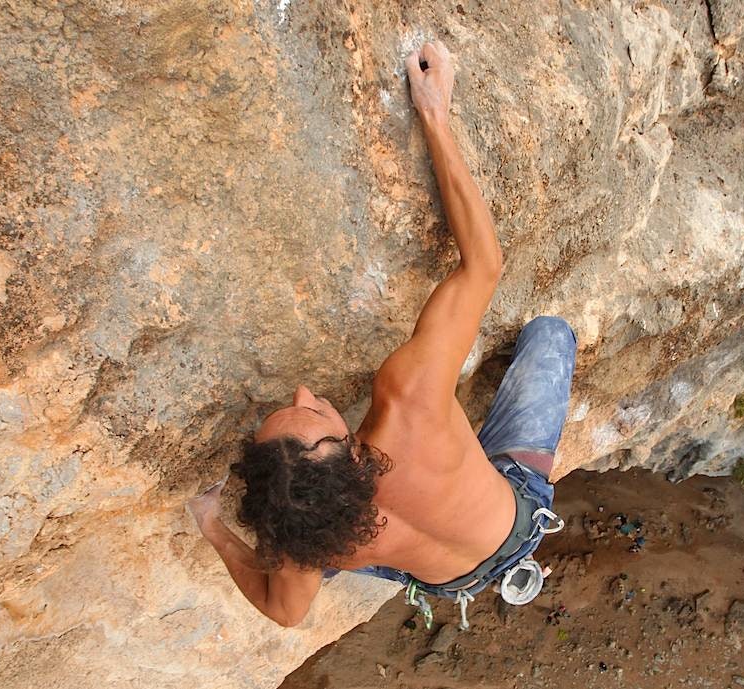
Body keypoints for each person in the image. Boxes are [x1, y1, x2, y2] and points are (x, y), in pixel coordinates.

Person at [187, 40, 577, 630]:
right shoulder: (411, 401)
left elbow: (284, 613)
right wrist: (433, 113)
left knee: (316, 539)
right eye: (311, 416)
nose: (299, 393)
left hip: (445, 581)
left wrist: (212, 526)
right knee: (550, 332)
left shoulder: (308, 540)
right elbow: (483, 264)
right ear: (352, 453)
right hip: (515, 515)